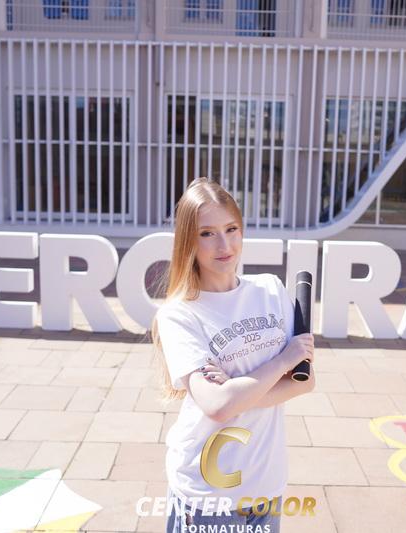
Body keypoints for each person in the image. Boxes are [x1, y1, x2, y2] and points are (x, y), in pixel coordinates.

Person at [152, 177, 316, 533]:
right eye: (207, 233)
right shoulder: (180, 313)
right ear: (188, 241)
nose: (224, 244)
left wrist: (237, 390)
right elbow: (217, 406)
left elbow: (304, 382)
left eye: (231, 229)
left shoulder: (270, 290)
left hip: (265, 483)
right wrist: (281, 362)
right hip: (207, 492)